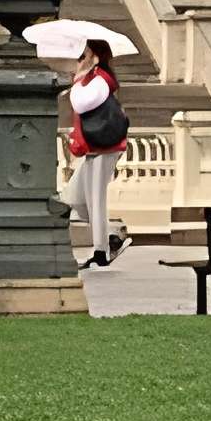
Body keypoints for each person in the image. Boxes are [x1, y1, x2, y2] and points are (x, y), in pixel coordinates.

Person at [64, 36, 127, 268]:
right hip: (94, 146)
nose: (82, 58)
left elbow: (81, 104)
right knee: (74, 197)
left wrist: (78, 80)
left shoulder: (101, 80)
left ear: (97, 56)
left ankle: (101, 251)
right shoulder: (93, 78)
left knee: (95, 199)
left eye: (86, 54)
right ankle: (112, 235)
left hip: (104, 145)